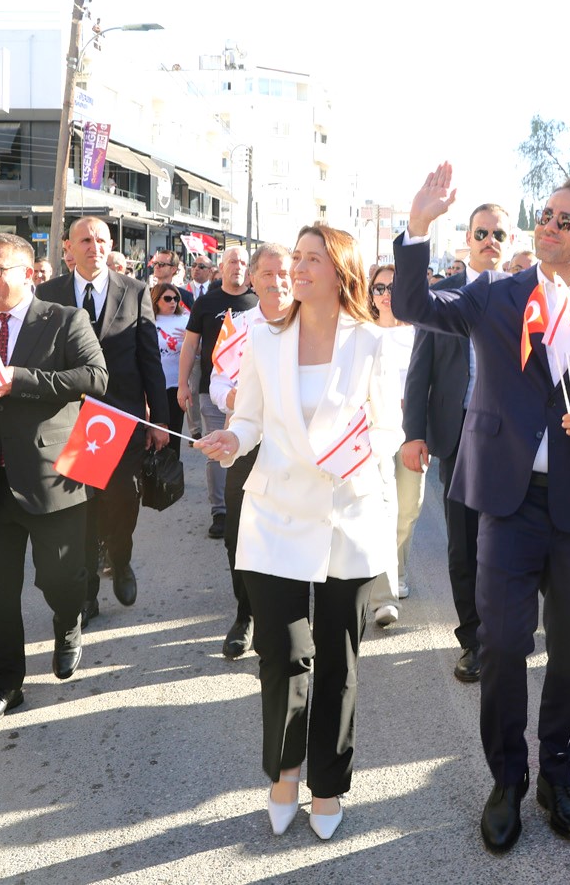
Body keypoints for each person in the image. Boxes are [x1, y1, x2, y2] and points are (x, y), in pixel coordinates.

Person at [394, 164, 570, 852]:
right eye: (547, 215)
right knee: (502, 646)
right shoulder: (495, 294)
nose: (551, 226)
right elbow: (414, 305)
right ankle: (507, 778)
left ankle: (559, 776)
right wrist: (417, 228)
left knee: (569, 650)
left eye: (567, 220)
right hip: (507, 502)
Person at [193, 225, 401, 842]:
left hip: (346, 514)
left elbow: (389, 429)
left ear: (340, 271)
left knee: (338, 659)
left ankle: (328, 784)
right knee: (283, 653)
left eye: (312, 259)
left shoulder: (372, 342)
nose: (298, 268)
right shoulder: (260, 333)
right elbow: (250, 417)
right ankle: (283, 772)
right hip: (274, 514)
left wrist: (355, 455)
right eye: (296, 258)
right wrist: (232, 439)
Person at [0, 233, 107, 728]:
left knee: (60, 578)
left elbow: (95, 379)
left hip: (53, 478)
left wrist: (18, 379)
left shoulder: (64, 319)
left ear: (28, 274)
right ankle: (4, 686)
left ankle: (68, 620)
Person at [400, 204, 513, 682]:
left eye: (499, 233)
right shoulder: (441, 297)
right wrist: (415, 432)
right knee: (463, 544)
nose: (490, 240)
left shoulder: (525, 297)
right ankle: (472, 640)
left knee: (508, 542)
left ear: (508, 242)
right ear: (467, 239)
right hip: (458, 432)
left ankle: (507, 632)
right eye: (481, 231)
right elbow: (419, 369)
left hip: (512, 440)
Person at [37, 217, 169, 621]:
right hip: (68, 418)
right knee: (82, 510)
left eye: (100, 240)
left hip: (120, 417)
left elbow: (149, 358)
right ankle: (88, 591)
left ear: (110, 246)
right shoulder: (49, 293)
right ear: (68, 248)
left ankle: (121, 557)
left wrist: (159, 420)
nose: (93, 246)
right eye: (84, 240)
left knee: (122, 500)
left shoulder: (135, 291)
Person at [208, 243, 294, 660]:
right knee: (238, 533)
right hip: (245, 443)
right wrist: (240, 399)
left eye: (284, 274)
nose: (277, 282)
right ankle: (246, 615)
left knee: (294, 531)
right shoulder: (238, 326)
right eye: (268, 274)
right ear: (253, 279)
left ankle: (295, 620)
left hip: (296, 449)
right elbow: (217, 384)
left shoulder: (311, 323)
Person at [177, 247, 255, 541]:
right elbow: (190, 346)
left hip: (252, 393)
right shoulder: (206, 303)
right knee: (216, 449)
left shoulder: (259, 303)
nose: (238, 266)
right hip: (213, 390)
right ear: (221, 267)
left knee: (248, 449)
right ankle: (220, 511)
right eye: (233, 261)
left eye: (243, 262)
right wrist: (184, 384)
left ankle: (246, 506)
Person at [368, 264, 423, 629]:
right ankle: (383, 594)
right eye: (379, 287)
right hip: (371, 433)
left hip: (411, 432)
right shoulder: (361, 333)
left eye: (393, 286)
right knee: (380, 509)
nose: (386, 293)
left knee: (409, 508)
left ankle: (398, 568)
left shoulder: (420, 333)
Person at [151, 283, 190, 433]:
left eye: (176, 298)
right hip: (155, 385)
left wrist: (189, 340)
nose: (173, 302)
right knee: (156, 429)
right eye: (167, 298)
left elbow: (198, 352)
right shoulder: (148, 320)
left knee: (174, 430)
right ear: (155, 300)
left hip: (177, 385)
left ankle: (173, 457)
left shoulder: (185, 320)